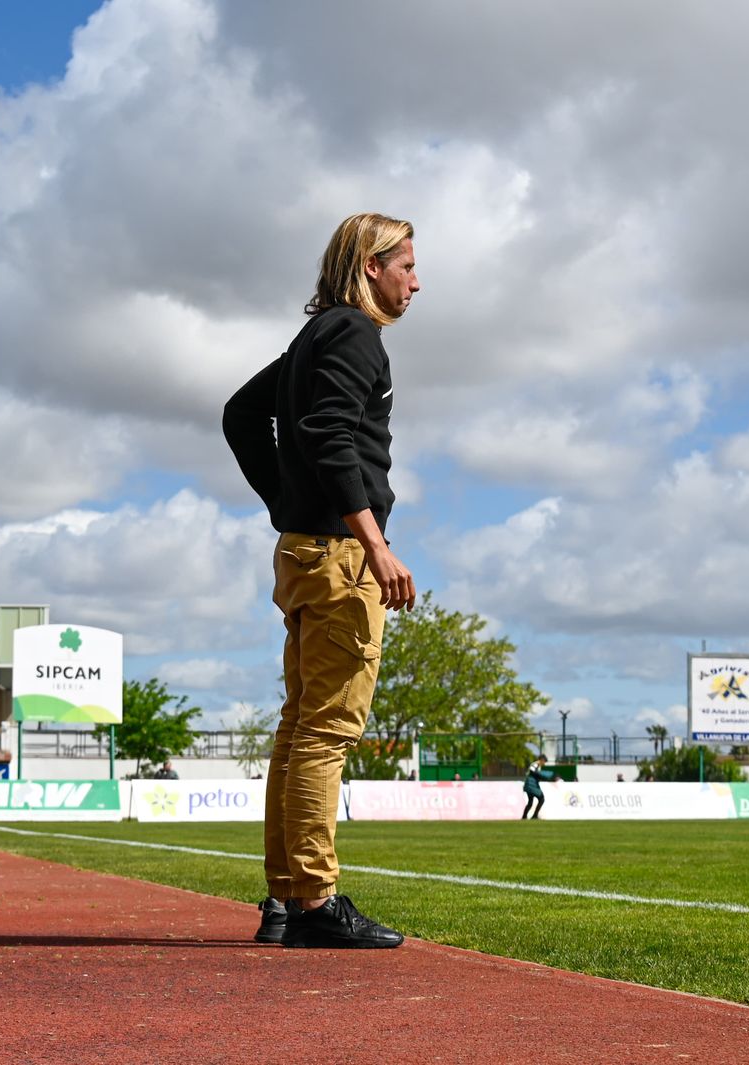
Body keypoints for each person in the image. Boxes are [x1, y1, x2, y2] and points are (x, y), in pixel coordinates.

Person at [224, 212, 419, 949]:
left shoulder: (313, 337)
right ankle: (312, 901)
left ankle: (283, 900)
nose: (416, 280)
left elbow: (243, 413)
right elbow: (331, 433)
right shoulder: (352, 334)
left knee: (300, 727)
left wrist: (287, 501)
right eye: (405, 265)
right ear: (371, 266)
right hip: (337, 557)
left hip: (306, 550)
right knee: (327, 730)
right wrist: (373, 543)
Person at [522, 754, 556, 819]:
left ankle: (524, 817)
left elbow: (537, 774)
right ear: (541, 760)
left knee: (530, 802)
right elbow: (533, 772)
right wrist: (542, 776)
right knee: (541, 799)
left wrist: (543, 777)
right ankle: (534, 815)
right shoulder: (535, 764)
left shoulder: (538, 766)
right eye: (544, 761)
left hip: (531, 784)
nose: (544, 763)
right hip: (531, 784)